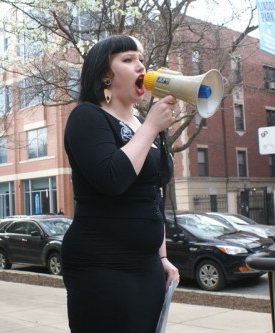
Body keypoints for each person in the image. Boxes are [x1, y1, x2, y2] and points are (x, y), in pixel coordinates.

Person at [62, 35, 180, 333]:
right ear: (105, 75)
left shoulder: (142, 123)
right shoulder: (87, 116)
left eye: (140, 59)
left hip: (147, 266)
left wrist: (161, 257)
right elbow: (112, 178)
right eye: (127, 60)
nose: (139, 65)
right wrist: (153, 126)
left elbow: (152, 194)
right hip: (102, 263)